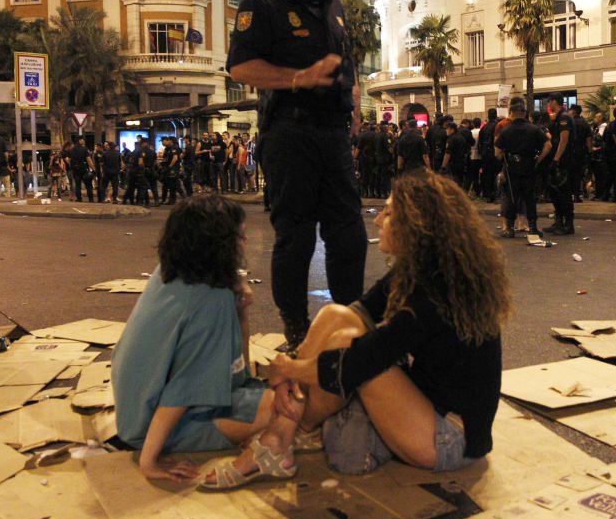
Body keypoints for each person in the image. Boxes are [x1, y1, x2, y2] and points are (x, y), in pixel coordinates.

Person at [201, 170, 511, 489]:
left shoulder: (435, 292)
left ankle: (280, 436)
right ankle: (282, 434)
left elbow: (362, 361)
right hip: (424, 403)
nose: (377, 221)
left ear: (417, 225)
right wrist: (295, 367)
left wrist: (291, 368)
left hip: (451, 437)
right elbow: (355, 314)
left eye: (389, 213)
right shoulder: (420, 271)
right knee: (336, 316)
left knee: (350, 347)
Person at [226, 0, 367, 348]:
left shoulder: (333, 5)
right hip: (290, 134)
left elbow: (345, 60)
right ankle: (296, 327)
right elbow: (240, 66)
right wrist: (298, 78)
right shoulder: (262, 3)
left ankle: (349, 321)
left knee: (349, 233)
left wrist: (356, 99)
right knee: (297, 235)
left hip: (333, 133)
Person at [111, 194, 273, 483]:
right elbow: (183, 389)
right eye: (240, 237)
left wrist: (241, 303)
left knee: (270, 397)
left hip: (134, 410)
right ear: (220, 244)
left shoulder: (172, 272)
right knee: (289, 406)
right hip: (156, 425)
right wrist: (149, 462)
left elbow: (236, 369)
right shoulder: (211, 300)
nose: (245, 244)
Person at [494, 100, 552, 237]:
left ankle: (509, 229)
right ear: (524, 113)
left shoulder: (506, 130)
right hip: (529, 166)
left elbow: (497, 153)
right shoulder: (534, 129)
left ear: (512, 113)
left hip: (512, 168)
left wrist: (505, 158)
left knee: (511, 197)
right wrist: (538, 159)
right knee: (529, 197)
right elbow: (548, 145)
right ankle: (532, 227)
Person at [544, 95, 576, 235]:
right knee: (555, 192)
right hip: (558, 160)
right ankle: (558, 222)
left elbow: (564, 140)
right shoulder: (559, 116)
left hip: (564, 161)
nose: (548, 104)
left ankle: (568, 225)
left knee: (564, 193)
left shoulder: (564, 117)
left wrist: (556, 160)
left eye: (549, 101)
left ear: (554, 101)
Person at [568, 104, 592, 203]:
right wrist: (590, 151)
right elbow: (588, 139)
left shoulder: (569, 122)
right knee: (578, 174)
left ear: (573, 111)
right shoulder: (585, 123)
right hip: (581, 151)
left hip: (570, 151)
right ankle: (577, 195)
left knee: (570, 173)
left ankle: (570, 195)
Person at [69, 137, 95, 202]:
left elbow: (69, 160)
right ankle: (91, 199)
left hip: (75, 170)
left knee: (78, 185)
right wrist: (93, 169)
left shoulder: (72, 150)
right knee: (88, 185)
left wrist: (72, 167)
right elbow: (89, 160)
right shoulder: (84, 149)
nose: (84, 141)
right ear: (79, 141)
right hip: (84, 169)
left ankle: (79, 199)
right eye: (82, 140)